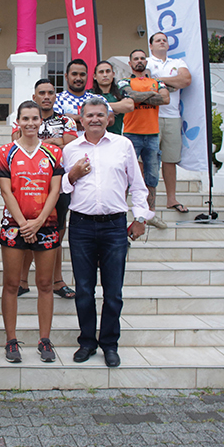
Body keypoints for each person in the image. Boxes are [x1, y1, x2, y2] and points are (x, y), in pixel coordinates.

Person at [62, 96, 151, 368]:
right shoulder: (71, 149)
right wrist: (73, 174)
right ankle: (87, 342)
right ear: (81, 117)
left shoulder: (123, 145)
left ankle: (110, 344)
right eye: (89, 115)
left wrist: (140, 217)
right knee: (84, 290)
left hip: (114, 225)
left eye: (100, 115)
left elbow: (137, 185)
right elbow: (63, 188)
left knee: (113, 291)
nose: (95, 119)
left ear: (109, 118)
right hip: (81, 226)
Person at [0, 100, 63, 363]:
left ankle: (44, 339)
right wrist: (24, 223)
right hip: (15, 226)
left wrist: (38, 222)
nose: (30, 123)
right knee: (12, 284)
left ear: (41, 121)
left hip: (46, 225)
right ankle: (11, 340)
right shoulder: (6, 152)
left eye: (35, 119)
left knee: (45, 284)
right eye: (25, 119)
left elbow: (54, 191)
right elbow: (5, 190)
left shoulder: (54, 152)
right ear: (18, 122)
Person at [12, 79, 78, 300]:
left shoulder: (66, 120)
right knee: (30, 228)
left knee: (56, 232)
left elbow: (70, 144)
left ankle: (57, 280)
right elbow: (17, 140)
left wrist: (42, 141)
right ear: (35, 96)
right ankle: (22, 280)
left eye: (51, 92)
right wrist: (56, 141)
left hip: (59, 182)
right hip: (29, 183)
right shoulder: (21, 119)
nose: (47, 96)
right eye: (42, 93)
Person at [118, 49, 170, 229]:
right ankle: (120, 214)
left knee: (152, 176)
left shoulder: (157, 82)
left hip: (152, 134)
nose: (139, 61)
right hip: (131, 133)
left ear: (146, 62)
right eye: (135, 59)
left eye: (142, 58)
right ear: (130, 63)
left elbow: (165, 99)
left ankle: (150, 214)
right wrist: (151, 95)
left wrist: (141, 96)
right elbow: (130, 96)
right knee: (125, 175)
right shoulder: (125, 81)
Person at [148, 32, 192, 214]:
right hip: (151, 116)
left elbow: (186, 80)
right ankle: (148, 200)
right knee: (148, 160)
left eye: (164, 40)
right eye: (158, 40)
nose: (162, 42)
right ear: (151, 46)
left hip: (173, 117)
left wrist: (160, 81)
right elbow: (147, 84)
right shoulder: (147, 63)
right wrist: (171, 84)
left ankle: (171, 198)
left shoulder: (177, 63)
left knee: (170, 159)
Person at [53, 58, 113, 131]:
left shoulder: (98, 99)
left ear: (87, 76)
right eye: (74, 74)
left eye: (82, 74)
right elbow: (56, 121)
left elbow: (110, 119)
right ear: (66, 76)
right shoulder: (57, 99)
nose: (78, 78)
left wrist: (71, 118)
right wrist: (92, 121)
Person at [91, 60, 134, 135]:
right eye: (101, 72)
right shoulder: (90, 93)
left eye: (108, 71)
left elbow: (129, 106)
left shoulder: (120, 92)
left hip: (116, 137)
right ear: (95, 76)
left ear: (113, 74)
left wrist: (100, 107)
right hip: (95, 137)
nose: (105, 75)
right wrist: (117, 107)